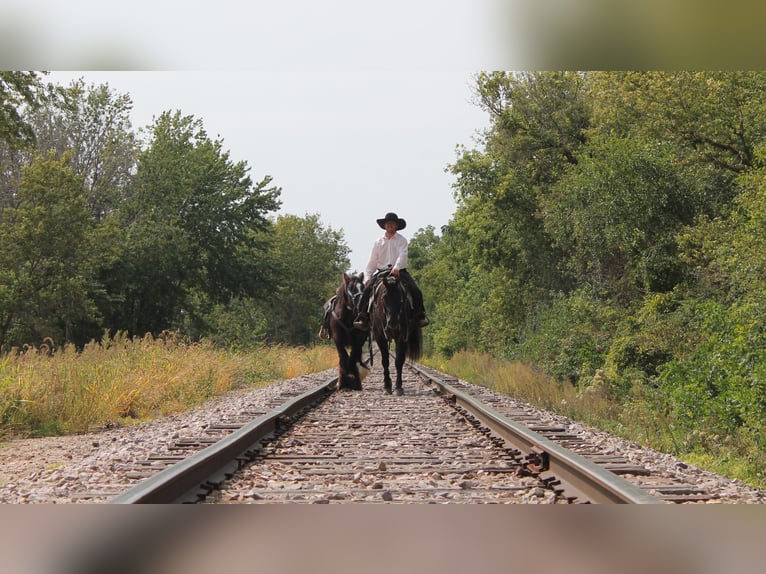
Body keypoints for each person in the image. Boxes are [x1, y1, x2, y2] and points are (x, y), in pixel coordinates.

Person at [353, 212, 429, 331]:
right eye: (387, 223)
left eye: (392, 223)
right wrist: (368, 276)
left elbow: (403, 255)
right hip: (382, 272)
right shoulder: (378, 242)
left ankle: (419, 316)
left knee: (415, 289)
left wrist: (397, 267)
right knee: (367, 290)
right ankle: (363, 317)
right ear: (384, 225)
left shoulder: (402, 240)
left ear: (396, 226)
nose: (389, 225)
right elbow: (372, 260)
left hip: (399, 271)